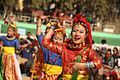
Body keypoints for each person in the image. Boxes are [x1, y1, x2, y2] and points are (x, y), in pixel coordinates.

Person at [42, 14, 102, 80]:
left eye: (81, 32)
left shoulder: (87, 51)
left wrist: (82, 65)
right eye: (74, 31)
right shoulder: (64, 48)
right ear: (71, 33)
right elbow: (45, 42)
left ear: (86, 35)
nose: (77, 34)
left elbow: (98, 62)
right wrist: (53, 27)